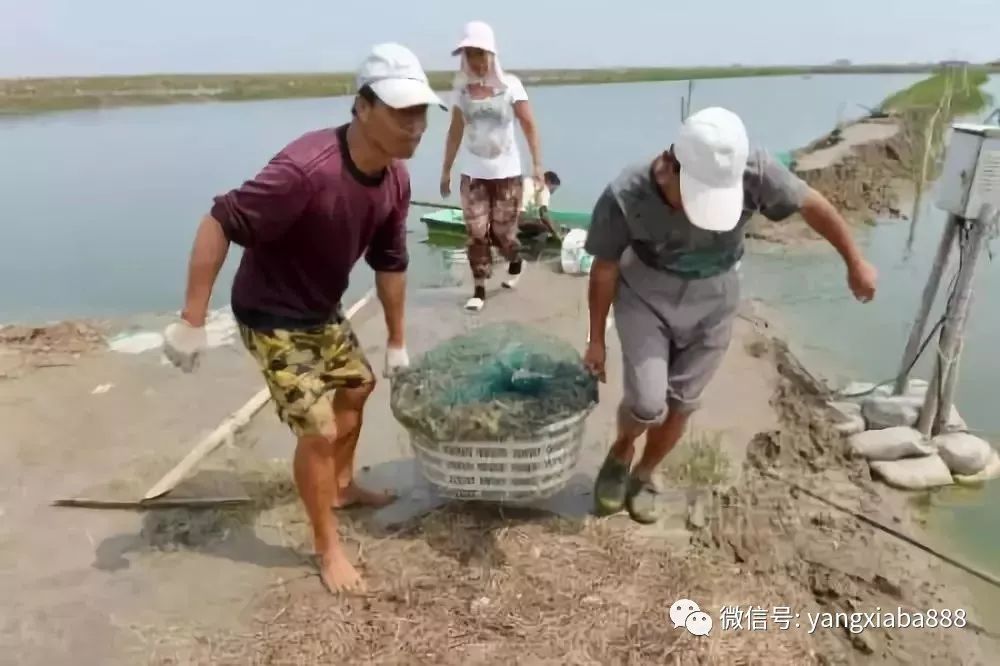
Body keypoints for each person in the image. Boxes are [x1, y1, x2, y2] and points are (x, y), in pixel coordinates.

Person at [160, 43, 445, 593]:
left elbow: (390, 261)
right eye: (401, 110)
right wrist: (192, 319)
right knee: (318, 428)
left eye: (422, 112)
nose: (415, 126)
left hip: (320, 309)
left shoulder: (396, 179)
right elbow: (220, 219)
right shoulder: (305, 170)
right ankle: (327, 546)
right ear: (362, 107)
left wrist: (398, 340)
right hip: (270, 314)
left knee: (359, 387)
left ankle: (340, 484)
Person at [582, 106, 878, 524]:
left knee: (682, 403)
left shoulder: (754, 169)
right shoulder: (626, 194)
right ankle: (621, 451)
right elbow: (605, 267)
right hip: (646, 292)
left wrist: (855, 262)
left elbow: (811, 204)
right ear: (668, 169)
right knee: (649, 403)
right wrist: (595, 339)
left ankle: (645, 474)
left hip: (715, 296)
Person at [440, 20, 547, 311]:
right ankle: (479, 288)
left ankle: (515, 260)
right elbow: (455, 131)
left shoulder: (511, 85)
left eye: (479, 53)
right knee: (476, 231)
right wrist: (446, 170)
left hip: (507, 174)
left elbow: (529, 125)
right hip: (473, 173)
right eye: (469, 54)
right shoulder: (461, 90)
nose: (474, 60)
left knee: (503, 234)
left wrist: (537, 165)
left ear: (491, 53)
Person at [516, 170, 562, 251]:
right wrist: (555, 233)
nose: (552, 192)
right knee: (544, 228)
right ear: (549, 182)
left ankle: (521, 243)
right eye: (553, 189)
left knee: (536, 223)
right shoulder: (544, 187)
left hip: (508, 214)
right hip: (518, 217)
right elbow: (544, 214)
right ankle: (534, 253)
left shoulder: (527, 180)